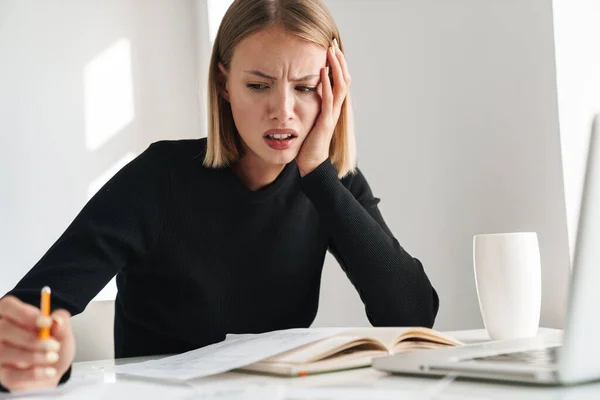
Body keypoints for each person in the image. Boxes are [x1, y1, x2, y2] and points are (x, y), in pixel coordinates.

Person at [0, 0, 439, 392]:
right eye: (259, 85)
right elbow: (31, 306)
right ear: (224, 82)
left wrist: (320, 175)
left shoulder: (330, 184)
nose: (283, 110)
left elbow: (413, 313)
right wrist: (39, 351)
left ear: (332, 91)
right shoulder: (158, 180)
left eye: (305, 87)